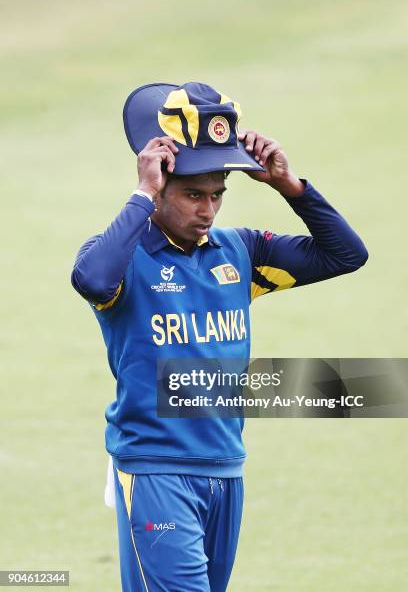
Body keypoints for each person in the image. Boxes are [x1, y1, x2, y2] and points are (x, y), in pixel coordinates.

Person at [71, 82, 368, 591]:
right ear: (160, 187)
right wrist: (140, 195)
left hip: (227, 471)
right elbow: (92, 280)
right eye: (192, 195)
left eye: (216, 196)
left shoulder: (240, 253)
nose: (207, 210)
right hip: (155, 472)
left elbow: (345, 254)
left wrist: (290, 187)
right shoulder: (121, 259)